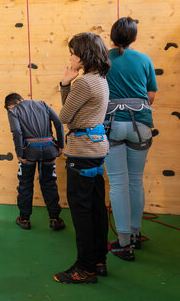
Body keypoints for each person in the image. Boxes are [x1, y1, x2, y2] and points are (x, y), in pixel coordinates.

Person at [53, 33, 110, 285]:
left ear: (84, 55)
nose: (71, 57)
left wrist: (65, 83)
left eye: (73, 53)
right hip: (95, 149)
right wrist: (68, 85)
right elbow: (74, 113)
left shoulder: (85, 83)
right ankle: (98, 260)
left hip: (82, 151)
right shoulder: (99, 79)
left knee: (81, 211)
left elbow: (65, 116)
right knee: (96, 207)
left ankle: (84, 268)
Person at [103, 17, 157, 261]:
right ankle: (135, 234)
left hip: (112, 125)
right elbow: (151, 96)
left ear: (112, 38)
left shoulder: (104, 59)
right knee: (136, 181)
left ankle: (123, 242)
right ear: (135, 38)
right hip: (141, 126)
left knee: (118, 184)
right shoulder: (145, 60)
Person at [4, 92, 65, 231]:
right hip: (49, 150)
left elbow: (17, 132)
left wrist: (19, 153)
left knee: (25, 184)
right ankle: (55, 219)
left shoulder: (13, 111)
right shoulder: (43, 104)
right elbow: (58, 122)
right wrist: (61, 145)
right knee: (49, 183)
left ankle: (24, 220)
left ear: (9, 106)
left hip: (29, 153)